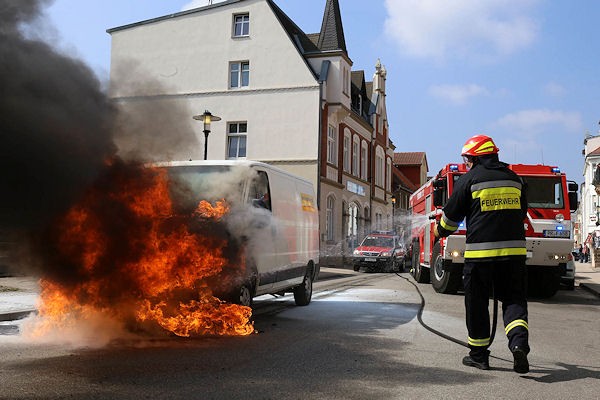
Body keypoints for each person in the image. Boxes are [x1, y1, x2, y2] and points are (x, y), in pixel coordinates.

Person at [434, 134, 530, 374]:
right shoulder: (515, 179)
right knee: (513, 300)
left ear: (475, 157)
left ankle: (479, 355)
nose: (466, 163)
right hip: (514, 254)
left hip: (480, 255)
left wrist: (437, 229)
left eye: (467, 159)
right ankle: (518, 344)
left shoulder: (469, 180)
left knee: (477, 302)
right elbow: (521, 213)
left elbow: (450, 220)